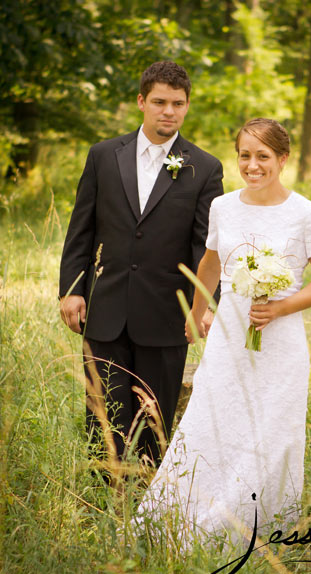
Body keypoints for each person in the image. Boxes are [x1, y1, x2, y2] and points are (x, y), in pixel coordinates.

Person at [134, 118, 311, 541]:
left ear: (282, 159)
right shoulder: (223, 206)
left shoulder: (304, 213)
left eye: (263, 156)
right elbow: (210, 264)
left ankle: (260, 525)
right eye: (245, 155)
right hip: (230, 337)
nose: (252, 165)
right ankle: (199, 511)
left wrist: (281, 307)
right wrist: (195, 312)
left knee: (271, 430)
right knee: (214, 421)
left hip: (280, 344)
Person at [59, 61, 224, 465]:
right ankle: (99, 507)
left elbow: (206, 247)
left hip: (167, 316)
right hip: (106, 310)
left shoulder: (204, 168)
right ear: (141, 102)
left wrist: (204, 306)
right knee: (103, 420)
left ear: (187, 107)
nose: (168, 111)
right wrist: (72, 289)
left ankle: (148, 509)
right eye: (159, 102)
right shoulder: (102, 156)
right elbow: (82, 229)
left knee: (155, 425)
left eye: (177, 104)